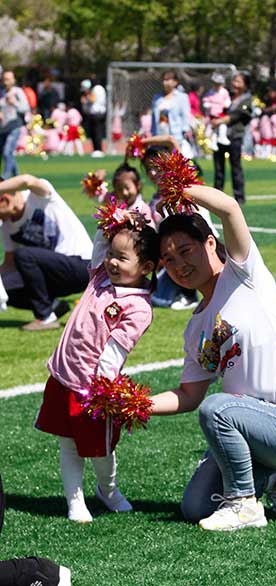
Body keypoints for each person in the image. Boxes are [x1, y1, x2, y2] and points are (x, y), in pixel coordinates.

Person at [149, 185, 276, 531]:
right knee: (195, 507)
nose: (179, 266)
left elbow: (230, 208)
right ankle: (274, 476)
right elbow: (188, 396)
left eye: (185, 251)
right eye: (168, 260)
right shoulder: (195, 329)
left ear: (210, 243)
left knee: (217, 408)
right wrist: (133, 404)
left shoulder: (243, 274)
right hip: (259, 431)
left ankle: (244, 504)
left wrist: (179, 185)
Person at [34, 207, 158, 523]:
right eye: (111, 254)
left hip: (92, 390)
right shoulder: (99, 277)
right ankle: (75, 502)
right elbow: (101, 242)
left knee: (101, 449)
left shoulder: (138, 307)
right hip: (62, 377)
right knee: (68, 445)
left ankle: (108, 490)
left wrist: (103, 387)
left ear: (145, 266)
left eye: (122, 257)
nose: (112, 261)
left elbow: (115, 352)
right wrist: (118, 219)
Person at [0, 175, 93, 331]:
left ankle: (45, 318)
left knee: (24, 255)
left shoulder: (39, 195)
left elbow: (27, 180)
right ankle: (53, 307)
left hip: (82, 266)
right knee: (8, 290)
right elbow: (9, 266)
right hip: (55, 277)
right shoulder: (7, 227)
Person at [211, 73, 253, 205]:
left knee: (235, 167)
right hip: (219, 136)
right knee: (218, 168)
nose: (235, 84)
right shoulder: (225, 94)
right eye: (234, 80)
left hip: (235, 136)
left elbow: (239, 114)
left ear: (245, 85)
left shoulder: (247, 99)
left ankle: (239, 197)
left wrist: (221, 120)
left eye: (239, 82)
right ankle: (217, 196)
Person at [151, 71, 193, 157]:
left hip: (175, 137)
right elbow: (154, 117)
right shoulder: (157, 97)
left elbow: (185, 116)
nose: (165, 82)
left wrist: (185, 131)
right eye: (163, 80)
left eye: (167, 80)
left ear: (175, 82)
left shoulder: (182, 97)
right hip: (159, 136)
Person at [0, 71, 29, 179]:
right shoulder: (2, 93)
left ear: (13, 80)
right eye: (4, 79)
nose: (6, 82)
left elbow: (25, 108)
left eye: (8, 79)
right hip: (3, 127)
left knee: (7, 152)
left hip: (14, 125)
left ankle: (5, 177)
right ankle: (17, 176)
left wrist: (14, 103)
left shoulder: (17, 92)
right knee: (6, 153)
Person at [203, 72, 231, 152]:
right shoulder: (210, 92)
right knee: (213, 129)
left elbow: (227, 99)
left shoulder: (224, 92)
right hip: (212, 114)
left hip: (220, 113)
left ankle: (222, 137)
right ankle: (213, 142)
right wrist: (207, 104)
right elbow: (206, 100)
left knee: (222, 125)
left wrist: (226, 103)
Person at [79, 78, 106, 157]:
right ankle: (96, 149)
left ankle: (98, 149)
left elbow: (92, 100)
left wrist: (86, 98)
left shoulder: (96, 89)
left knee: (96, 132)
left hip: (97, 114)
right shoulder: (99, 89)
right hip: (99, 113)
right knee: (95, 132)